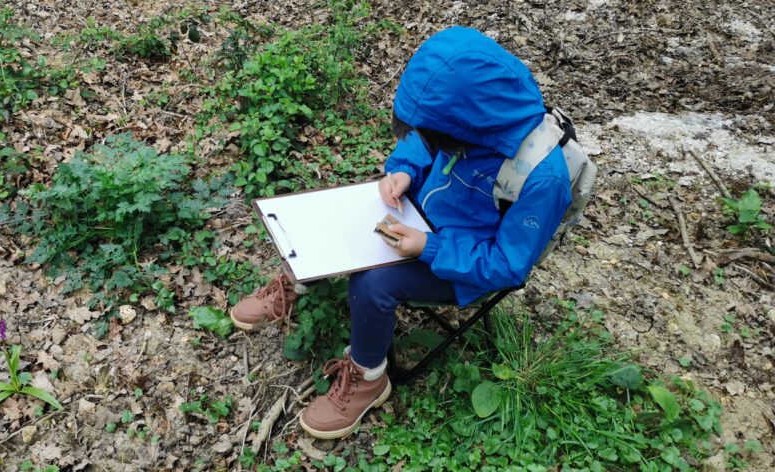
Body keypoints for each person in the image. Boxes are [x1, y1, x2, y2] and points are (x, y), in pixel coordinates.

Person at [229, 26, 573, 439]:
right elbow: (422, 142)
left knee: (372, 282)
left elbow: (508, 265)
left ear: (465, 126)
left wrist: (430, 247)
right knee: (345, 208)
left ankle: (368, 379)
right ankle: (298, 278)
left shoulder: (542, 177)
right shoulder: (465, 118)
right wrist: (404, 172)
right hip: (418, 218)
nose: (431, 138)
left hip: (462, 263)